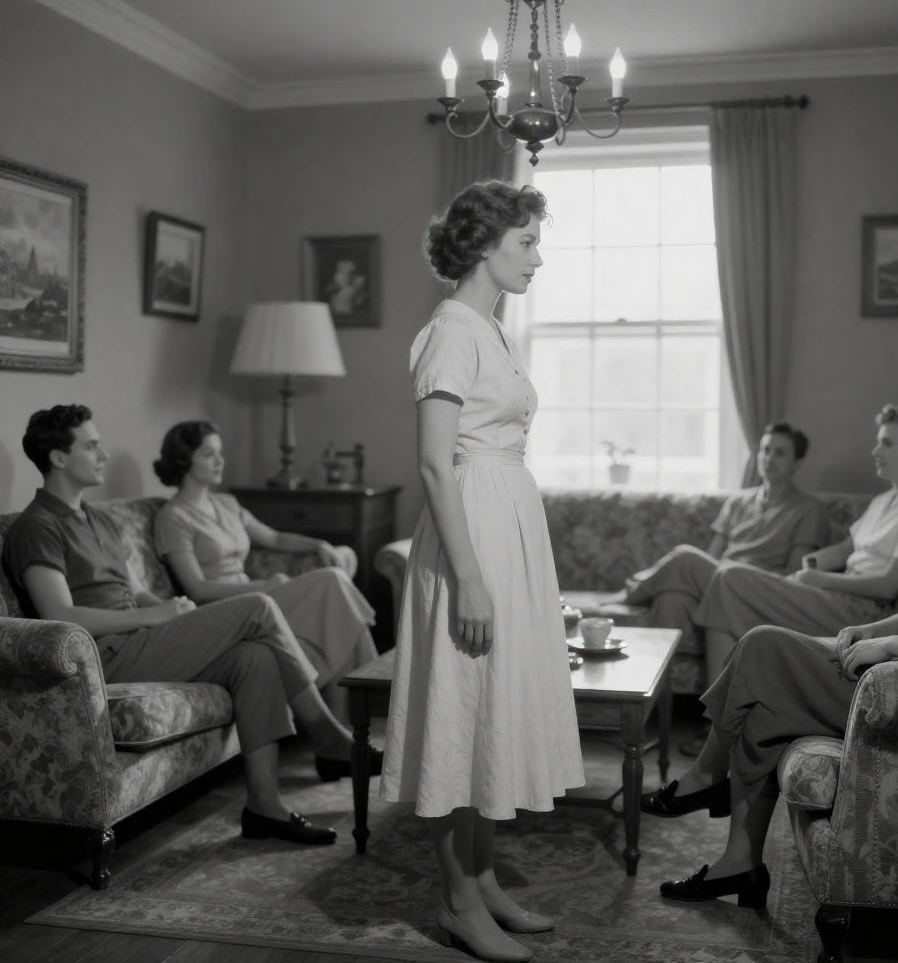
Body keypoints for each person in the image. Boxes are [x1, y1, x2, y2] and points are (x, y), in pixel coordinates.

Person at [654, 389, 898, 909]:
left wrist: (888, 647)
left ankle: (704, 777)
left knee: (761, 645)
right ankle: (739, 864)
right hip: (894, 664)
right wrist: (871, 630)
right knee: (763, 703)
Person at [379, 180, 584, 963]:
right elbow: (435, 463)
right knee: (460, 710)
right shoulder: (450, 332)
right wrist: (467, 577)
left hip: (507, 523)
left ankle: (485, 879)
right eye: (526, 243)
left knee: (490, 708)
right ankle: (459, 902)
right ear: (484, 245)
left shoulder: (490, 328)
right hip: (470, 531)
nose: (538, 258)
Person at [2, 404, 360, 845]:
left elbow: (136, 591)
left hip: (142, 639)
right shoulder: (36, 527)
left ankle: (265, 807)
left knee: (255, 657)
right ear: (58, 458)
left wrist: (176, 611)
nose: (104, 455)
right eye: (91, 446)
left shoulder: (98, 519)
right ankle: (325, 732)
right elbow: (63, 616)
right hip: (105, 656)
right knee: (258, 606)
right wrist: (152, 616)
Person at [643, 404, 898, 816]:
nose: (875, 450)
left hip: (863, 612)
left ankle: (712, 751)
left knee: (730, 578)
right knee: (726, 587)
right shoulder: (887, 500)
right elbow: (844, 550)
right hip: (834, 595)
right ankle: (717, 742)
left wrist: (818, 579)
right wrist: (809, 566)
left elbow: (888, 585)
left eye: (886, 442)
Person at [152, 421, 379, 781]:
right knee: (333, 582)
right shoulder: (172, 517)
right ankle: (371, 703)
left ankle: (340, 739)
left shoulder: (226, 504)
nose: (219, 461)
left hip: (262, 600)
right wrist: (265, 584)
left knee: (337, 609)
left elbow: (273, 537)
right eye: (208, 454)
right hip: (228, 613)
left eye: (220, 453)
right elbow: (197, 588)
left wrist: (318, 545)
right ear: (183, 461)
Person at [598, 422, 829, 630]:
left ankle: (630, 592)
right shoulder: (738, 501)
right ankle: (666, 665)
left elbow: (793, 574)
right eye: (765, 450)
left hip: (759, 588)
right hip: (720, 581)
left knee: (685, 556)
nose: (769, 458)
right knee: (672, 598)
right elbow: (713, 556)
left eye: (780, 453)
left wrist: (746, 576)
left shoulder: (808, 508)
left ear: (796, 463)